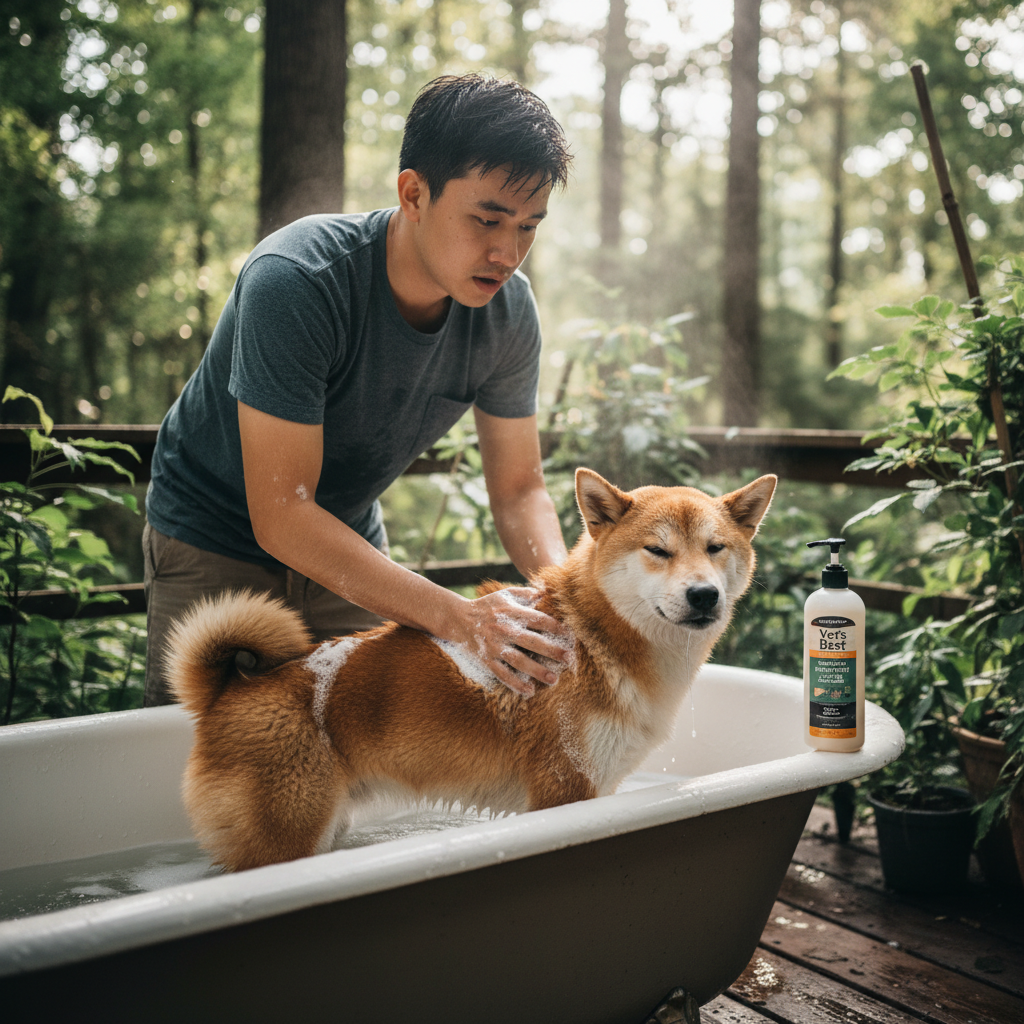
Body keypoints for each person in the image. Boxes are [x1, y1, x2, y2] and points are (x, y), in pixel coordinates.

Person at [142, 73, 574, 707]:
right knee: (203, 773)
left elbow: (519, 490)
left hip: (349, 541)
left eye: (529, 227)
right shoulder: (296, 280)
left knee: (368, 771)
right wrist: (459, 617)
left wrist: (565, 599)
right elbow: (283, 512)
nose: (508, 252)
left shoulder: (509, 313)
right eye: (488, 219)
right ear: (413, 193)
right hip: (214, 539)